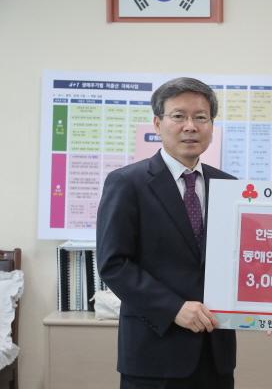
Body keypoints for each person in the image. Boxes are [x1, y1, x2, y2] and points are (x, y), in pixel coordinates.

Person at [97, 77, 237, 389]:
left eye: (201, 117)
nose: (190, 126)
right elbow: (113, 264)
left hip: (215, 353)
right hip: (154, 353)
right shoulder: (127, 183)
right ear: (158, 124)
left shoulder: (230, 186)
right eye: (178, 116)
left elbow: (243, 258)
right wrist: (173, 308)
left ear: (212, 126)